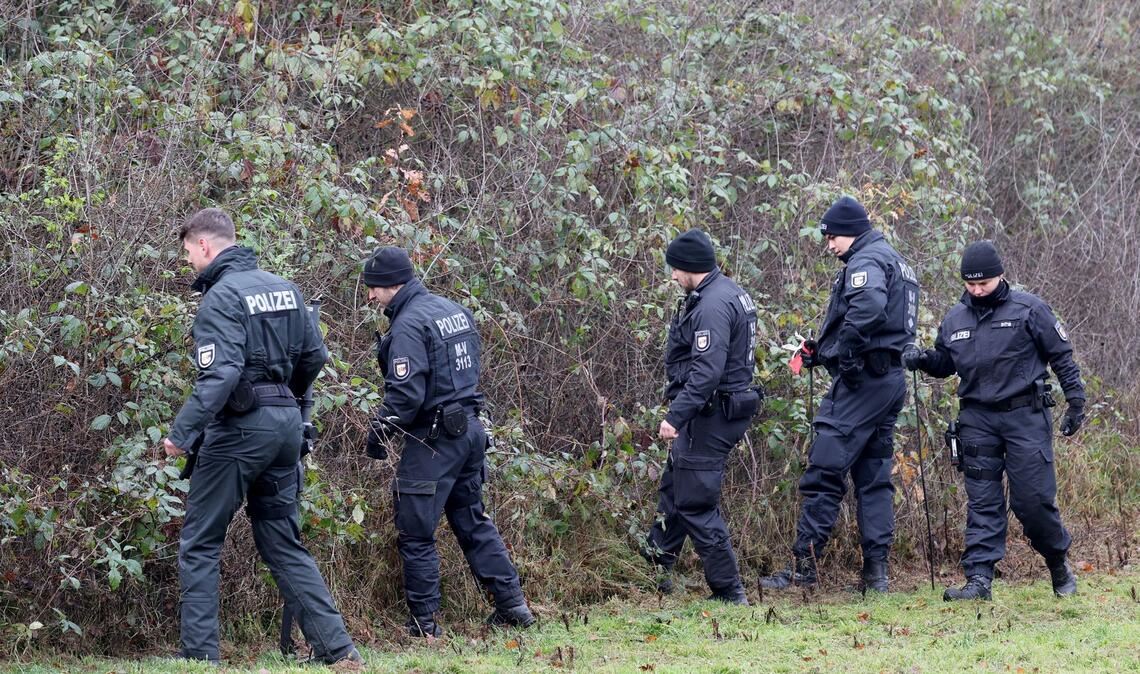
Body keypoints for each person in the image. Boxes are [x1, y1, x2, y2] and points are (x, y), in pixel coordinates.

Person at [163, 208, 361, 664]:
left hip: (238, 432)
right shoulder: (286, 289)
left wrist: (181, 434)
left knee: (201, 540)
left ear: (205, 245)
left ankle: (198, 656)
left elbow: (221, 375)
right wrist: (282, 400)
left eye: (189, 252)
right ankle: (338, 650)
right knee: (280, 541)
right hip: (286, 426)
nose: (191, 262)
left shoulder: (221, 297)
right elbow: (315, 356)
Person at [361, 246, 534, 637]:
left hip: (432, 440)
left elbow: (405, 395)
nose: (370, 297)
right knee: (472, 519)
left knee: (416, 531)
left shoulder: (407, 325)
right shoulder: (454, 310)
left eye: (373, 288)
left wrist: (379, 431)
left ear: (392, 284)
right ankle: (513, 607)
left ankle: (423, 624)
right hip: (470, 432)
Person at [903, 240, 1083, 601]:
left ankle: (1057, 561)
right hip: (977, 419)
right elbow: (945, 362)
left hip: (1025, 416)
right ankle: (979, 580)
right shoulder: (955, 318)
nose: (977, 290)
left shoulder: (1029, 309)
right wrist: (922, 359)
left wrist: (1076, 401)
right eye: (970, 284)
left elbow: (1061, 355)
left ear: (1000, 276)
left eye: (983, 283)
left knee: (1032, 502)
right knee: (982, 501)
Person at [760, 196, 919, 593]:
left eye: (832, 237)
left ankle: (804, 570)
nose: (829, 245)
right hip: (888, 379)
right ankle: (876, 575)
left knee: (824, 468)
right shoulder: (894, 259)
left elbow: (867, 309)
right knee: (874, 476)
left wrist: (846, 354)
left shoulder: (866, 261)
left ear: (851, 231)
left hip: (862, 383)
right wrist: (823, 351)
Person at [639, 229, 762, 605]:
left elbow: (707, 372)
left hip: (710, 414)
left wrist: (675, 416)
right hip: (719, 408)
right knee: (676, 488)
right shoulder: (727, 292)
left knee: (694, 501)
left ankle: (729, 591)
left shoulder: (711, 305)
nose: (673, 276)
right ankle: (655, 568)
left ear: (690, 267)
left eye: (675, 269)